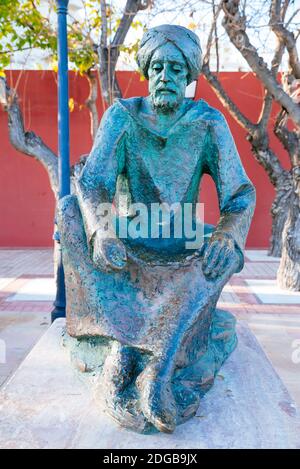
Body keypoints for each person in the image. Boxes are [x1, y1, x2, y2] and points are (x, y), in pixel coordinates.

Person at [58, 24, 256, 433]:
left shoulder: (207, 123)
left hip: (182, 245)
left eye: (177, 69)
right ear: (147, 72)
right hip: (125, 244)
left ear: (189, 77)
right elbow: (92, 184)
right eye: (159, 67)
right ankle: (122, 350)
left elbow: (239, 194)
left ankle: (158, 368)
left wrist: (226, 234)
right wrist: (102, 231)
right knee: (69, 213)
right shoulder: (122, 118)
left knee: (221, 253)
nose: (166, 76)